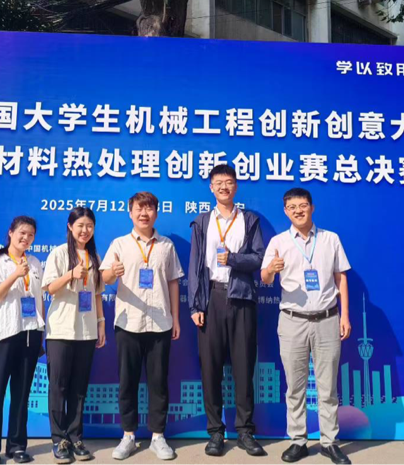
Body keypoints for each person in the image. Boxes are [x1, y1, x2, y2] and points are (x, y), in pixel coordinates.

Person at [261, 189, 352, 465]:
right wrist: (271, 269)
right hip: (292, 320)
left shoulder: (330, 239)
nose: (298, 211)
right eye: (292, 207)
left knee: (327, 386)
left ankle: (329, 442)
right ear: (285, 211)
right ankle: (298, 440)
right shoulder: (279, 241)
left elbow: (341, 278)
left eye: (303, 205)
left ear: (312, 207)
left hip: (327, 319)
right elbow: (265, 278)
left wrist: (345, 316)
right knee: (295, 386)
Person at [187, 164, 266, 457]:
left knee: (244, 367)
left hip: (242, 298)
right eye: (218, 182)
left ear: (236, 186)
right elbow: (195, 267)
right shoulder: (202, 222)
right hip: (212, 298)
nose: (224, 186)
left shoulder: (249, 220)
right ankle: (216, 432)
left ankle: (245, 431)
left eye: (229, 182)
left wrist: (232, 259)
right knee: (211, 369)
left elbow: (259, 258)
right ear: (211, 187)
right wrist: (195, 304)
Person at [100, 192, 184, 461]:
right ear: (130, 212)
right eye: (139, 209)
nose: (144, 213)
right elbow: (105, 278)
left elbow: (173, 282)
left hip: (160, 323)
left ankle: (158, 436)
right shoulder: (119, 244)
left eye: (149, 209)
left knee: (159, 383)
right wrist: (113, 272)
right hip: (129, 323)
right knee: (128, 382)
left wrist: (175, 318)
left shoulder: (167, 245)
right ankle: (128, 435)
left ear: (156, 213)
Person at [43, 208, 107, 463]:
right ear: (70, 227)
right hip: (61, 330)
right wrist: (71, 274)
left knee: (79, 388)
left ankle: (75, 437)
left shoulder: (95, 257)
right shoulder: (59, 253)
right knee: (59, 386)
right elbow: (49, 288)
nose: (85, 230)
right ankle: (59, 440)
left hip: (86, 331)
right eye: (80, 225)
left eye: (89, 225)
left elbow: (97, 294)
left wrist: (100, 324)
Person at [0, 216, 45, 465]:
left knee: (22, 393)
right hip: (4, 334)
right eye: (22, 233)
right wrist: (16, 274)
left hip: (30, 333)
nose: (26, 238)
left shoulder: (35, 262)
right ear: (11, 233)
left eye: (30, 235)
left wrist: (41, 329)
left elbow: (38, 299)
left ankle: (17, 446)